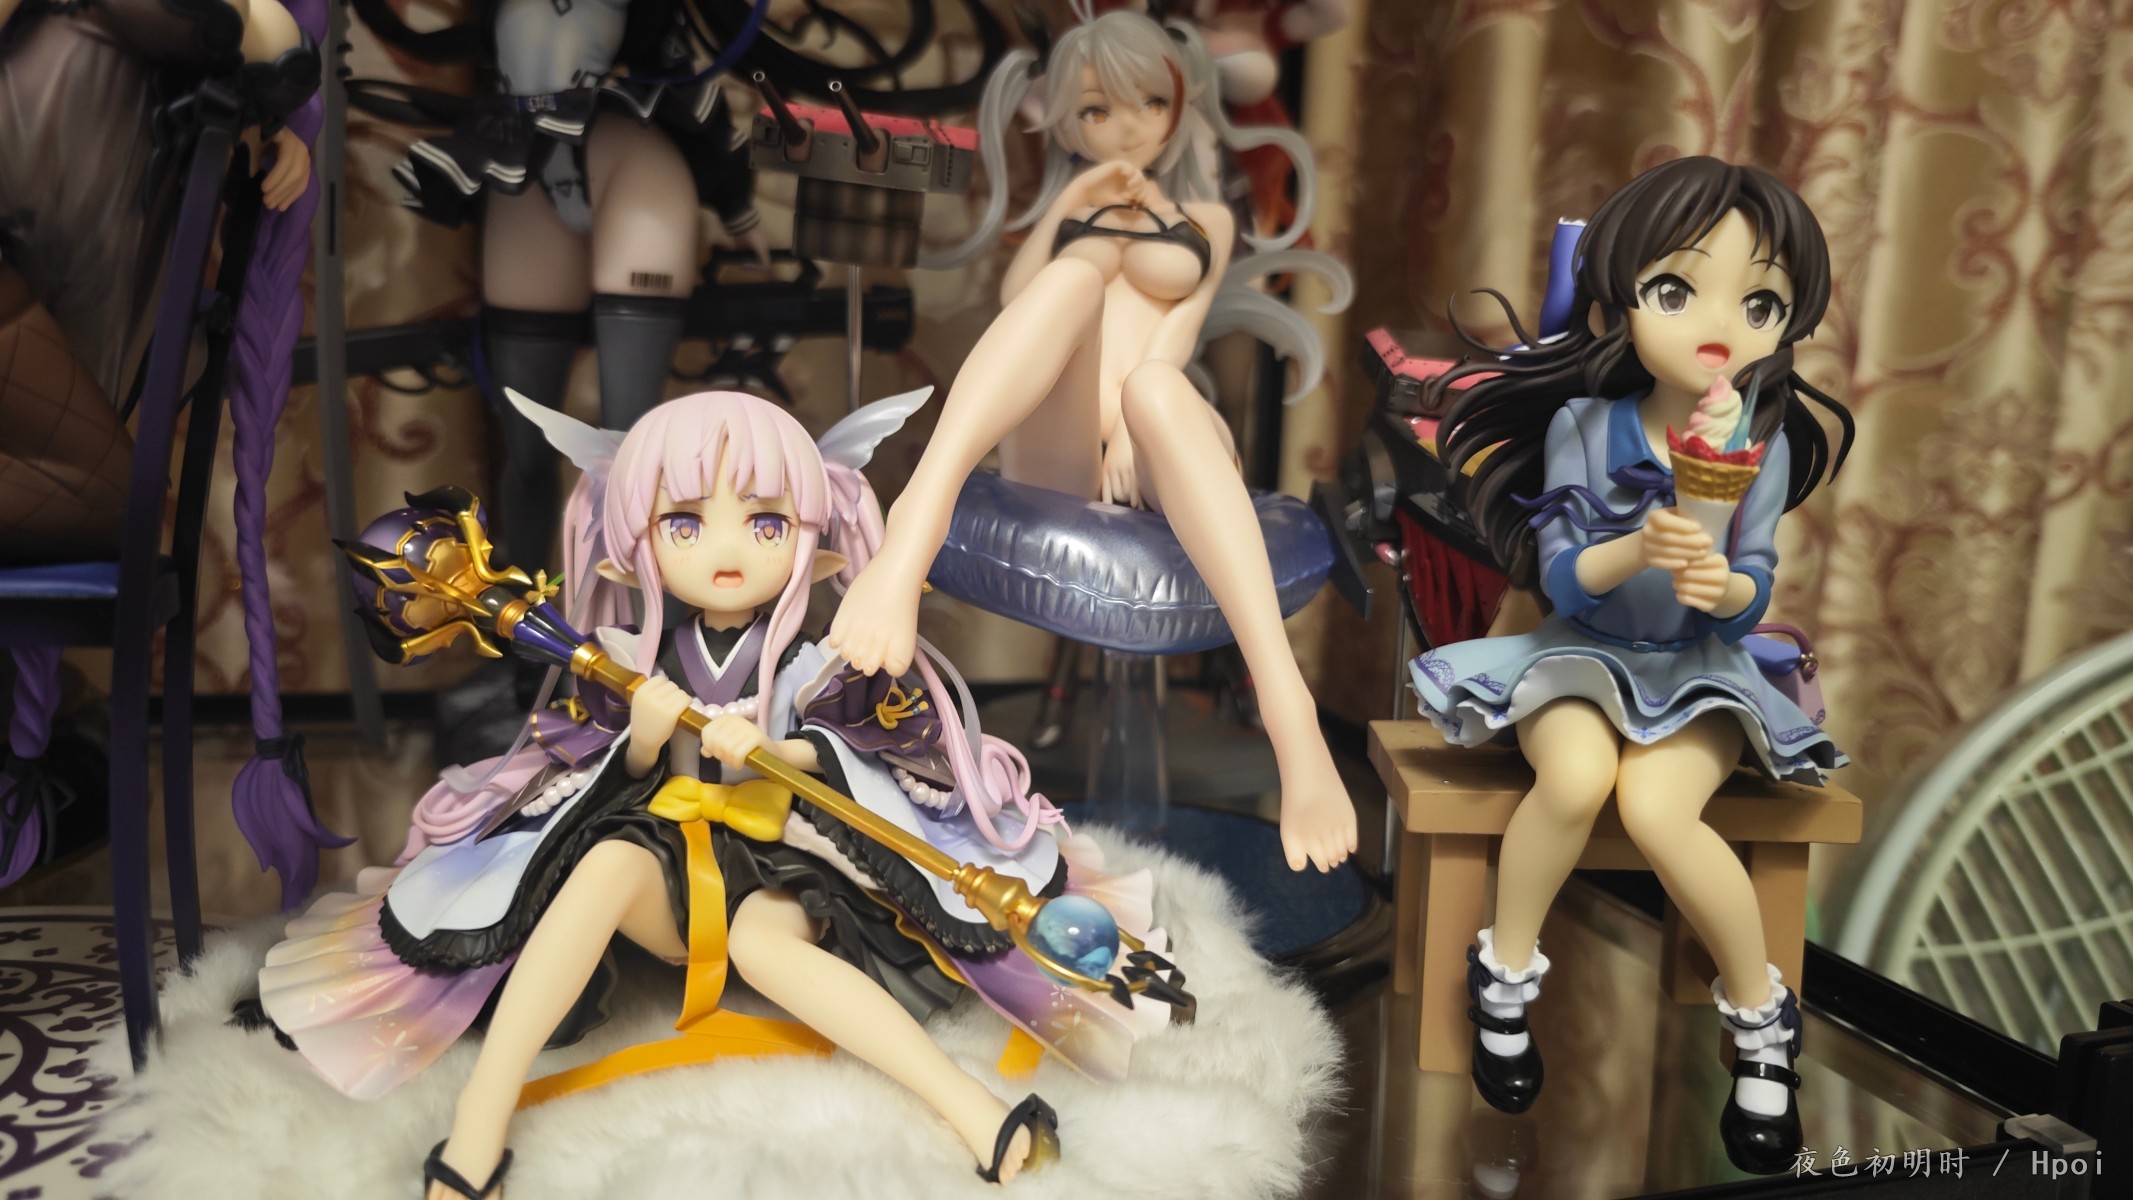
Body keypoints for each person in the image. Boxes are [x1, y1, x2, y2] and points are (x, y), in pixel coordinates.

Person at [249, 390, 1178, 1197]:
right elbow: (577, 765)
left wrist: (790, 749)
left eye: (765, 524)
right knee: (605, 863)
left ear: (809, 540)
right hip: (665, 867)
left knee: (762, 944)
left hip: (788, 865)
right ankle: (478, 1126)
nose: (727, 550)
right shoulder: (624, 659)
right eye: (685, 524)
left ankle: (974, 1110)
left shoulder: (822, 661)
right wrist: (648, 733)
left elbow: (889, 741)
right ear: (635, 546)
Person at [829, 7, 1357, 875]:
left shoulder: (1204, 216)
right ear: (1066, 122)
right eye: (1096, 110)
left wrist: (1131, 433)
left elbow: (1176, 334)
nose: (1127, 127)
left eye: (1149, 103)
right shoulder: (1074, 211)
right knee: (1071, 276)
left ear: (1180, 106)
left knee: (1155, 387)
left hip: (1161, 435)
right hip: (1062, 445)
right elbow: (1018, 301)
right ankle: (910, 535)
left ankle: (1287, 710)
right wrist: (1072, 206)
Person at [1410, 157, 1855, 1174]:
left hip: (1696, 669)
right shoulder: (1586, 426)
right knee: (1573, 778)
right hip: (1581, 652)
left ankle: (1762, 1021)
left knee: (1660, 809)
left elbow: (1752, 587)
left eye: (1758, 303)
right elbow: (1564, 580)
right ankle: (1504, 979)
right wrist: (1638, 547)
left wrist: (1720, 584)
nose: (1719, 326)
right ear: (1622, 301)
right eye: (1677, 290)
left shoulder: (1763, 444)